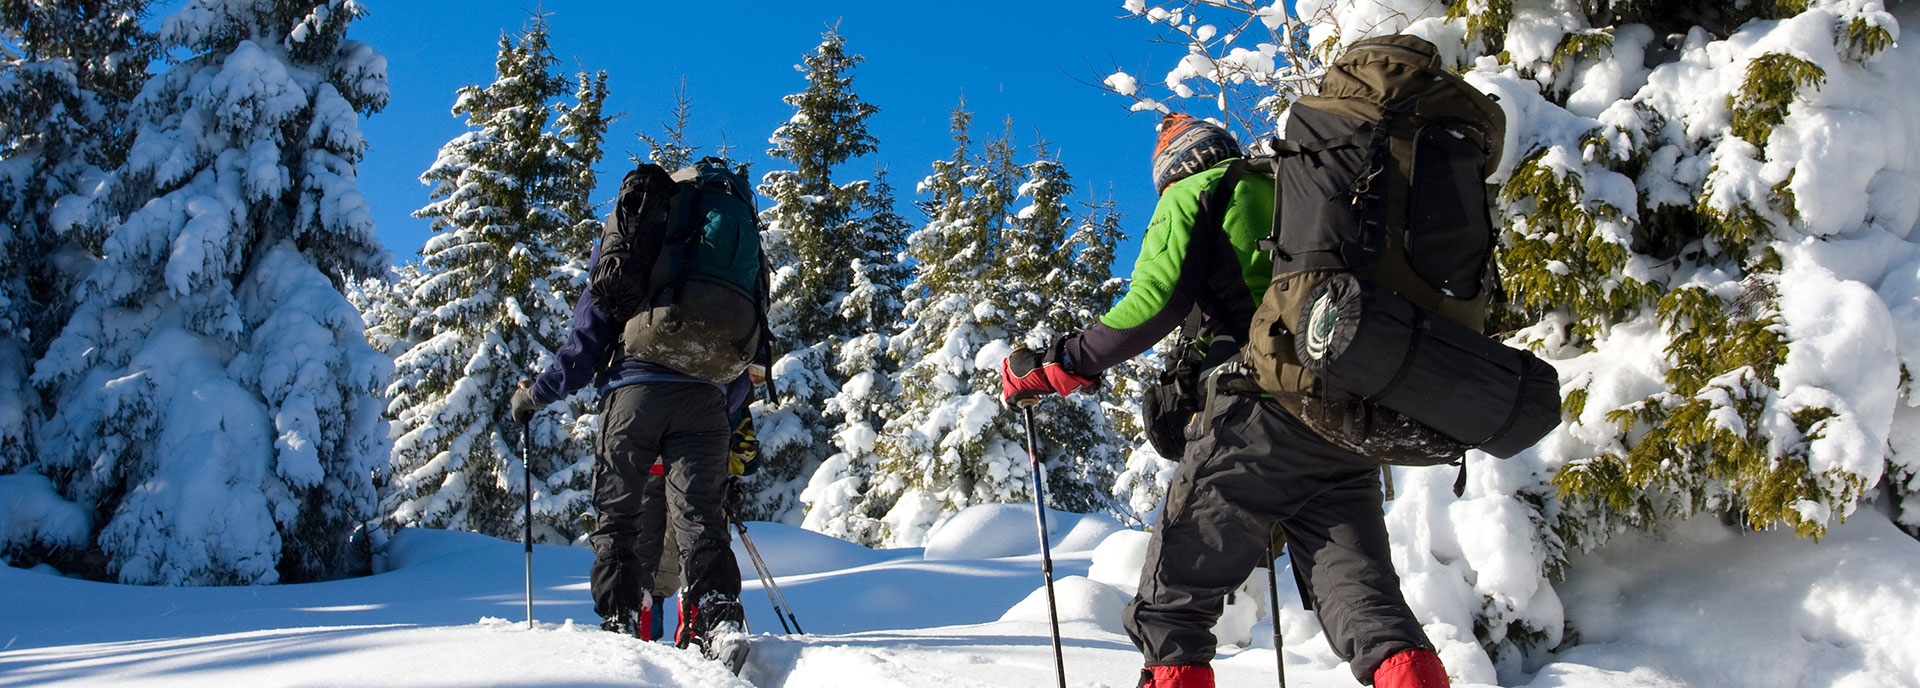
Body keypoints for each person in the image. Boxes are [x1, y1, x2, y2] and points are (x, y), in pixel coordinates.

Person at [999, 113, 1450, 688]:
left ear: (1171, 170)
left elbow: (1154, 304)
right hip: (1343, 419)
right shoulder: (1298, 192)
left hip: (1255, 416)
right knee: (1372, 612)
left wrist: (1059, 367)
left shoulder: (1197, 190)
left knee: (1173, 609)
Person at [510, 174, 755, 668]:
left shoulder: (637, 231)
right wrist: (721, 413)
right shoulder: (734, 244)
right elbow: (748, 353)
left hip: (635, 393)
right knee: (701, 516)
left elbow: (589, 335)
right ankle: (719, 619)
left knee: (618, 515)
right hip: (708, 398)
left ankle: (622, 619)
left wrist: (536, 394)